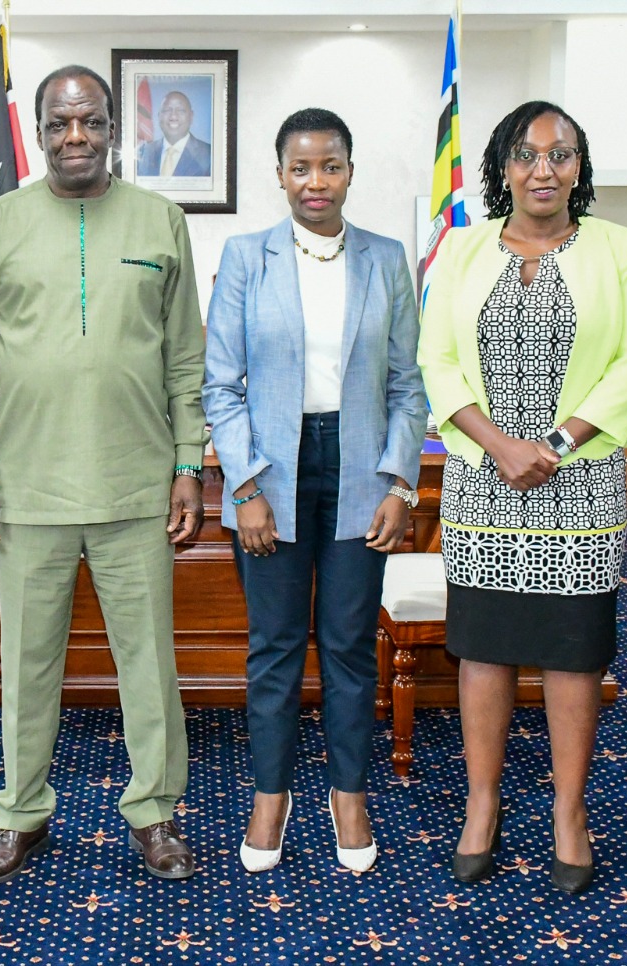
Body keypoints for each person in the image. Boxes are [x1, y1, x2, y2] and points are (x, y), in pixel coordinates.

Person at [0, 65, 207, 885]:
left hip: (137, 490)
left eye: (90, 123)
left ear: (112, 131)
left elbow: (186, 362)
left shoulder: (162, 220)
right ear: (39, 128)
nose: (74, 137)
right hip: (29, 489)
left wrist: (187, 463)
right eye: (59, 123)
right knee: (27, 667)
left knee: (149, 665)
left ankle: (155, 813)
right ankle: (22, 814)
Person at [418, 101, 627, 894]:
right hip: (483, 483)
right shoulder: (463, 246)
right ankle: (481, 806)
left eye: (560, 154)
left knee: (571, 650)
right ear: (503, 167)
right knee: (483, 647)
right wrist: (499, 445)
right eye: (526, 154)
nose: (543, 169)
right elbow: (437, 357)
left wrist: (553, 446)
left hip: (579, 483)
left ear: (579, 168)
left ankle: (569, 812)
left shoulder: (617, 248)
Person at [204, 107, 426, 874]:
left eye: (329, 166)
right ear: (279, 175)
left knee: (348, 648)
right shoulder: (245, 257)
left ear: (350, 171)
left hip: (360, 468)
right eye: (300, 167)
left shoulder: (388, 259)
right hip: (272, 470)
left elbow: (408, 384)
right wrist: (245, 487)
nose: (316, 181)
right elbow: (220, 386)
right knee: (271, 649)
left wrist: (401, 481)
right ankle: (271, 798)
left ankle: (348, 795)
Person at [136, 91, 212, 178]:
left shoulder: (209, 154)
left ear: (191, 116)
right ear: (159, 116)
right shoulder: (143, 152)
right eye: (167, 110)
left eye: (180, 110)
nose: (173, 117)